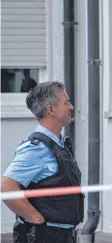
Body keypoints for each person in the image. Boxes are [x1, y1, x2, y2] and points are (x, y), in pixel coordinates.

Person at [1, 81, 84, 243]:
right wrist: (37, 219)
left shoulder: (59, 144)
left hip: (62, 235)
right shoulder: (37, 148)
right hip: (43, 236)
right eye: (66, 102)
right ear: (51, 110)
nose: (71, 107)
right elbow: (5, 187)